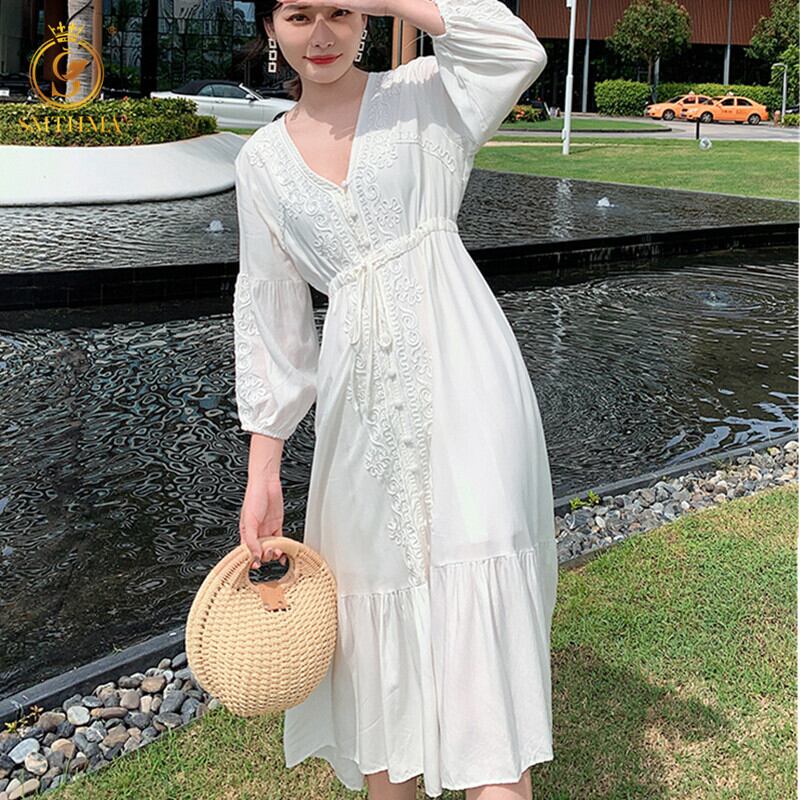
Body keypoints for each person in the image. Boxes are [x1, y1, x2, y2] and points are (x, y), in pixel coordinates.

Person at [234, 1, 557, 798]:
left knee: (481, 580)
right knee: (374, 613)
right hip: (361, 413)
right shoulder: (261, 163)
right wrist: (263, 468)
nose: (321, 34)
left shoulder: (424, 94)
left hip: (469, 382)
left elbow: (515, 49)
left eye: (341, 11)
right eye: (299, 15)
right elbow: (273, 318)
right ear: (271, 28)